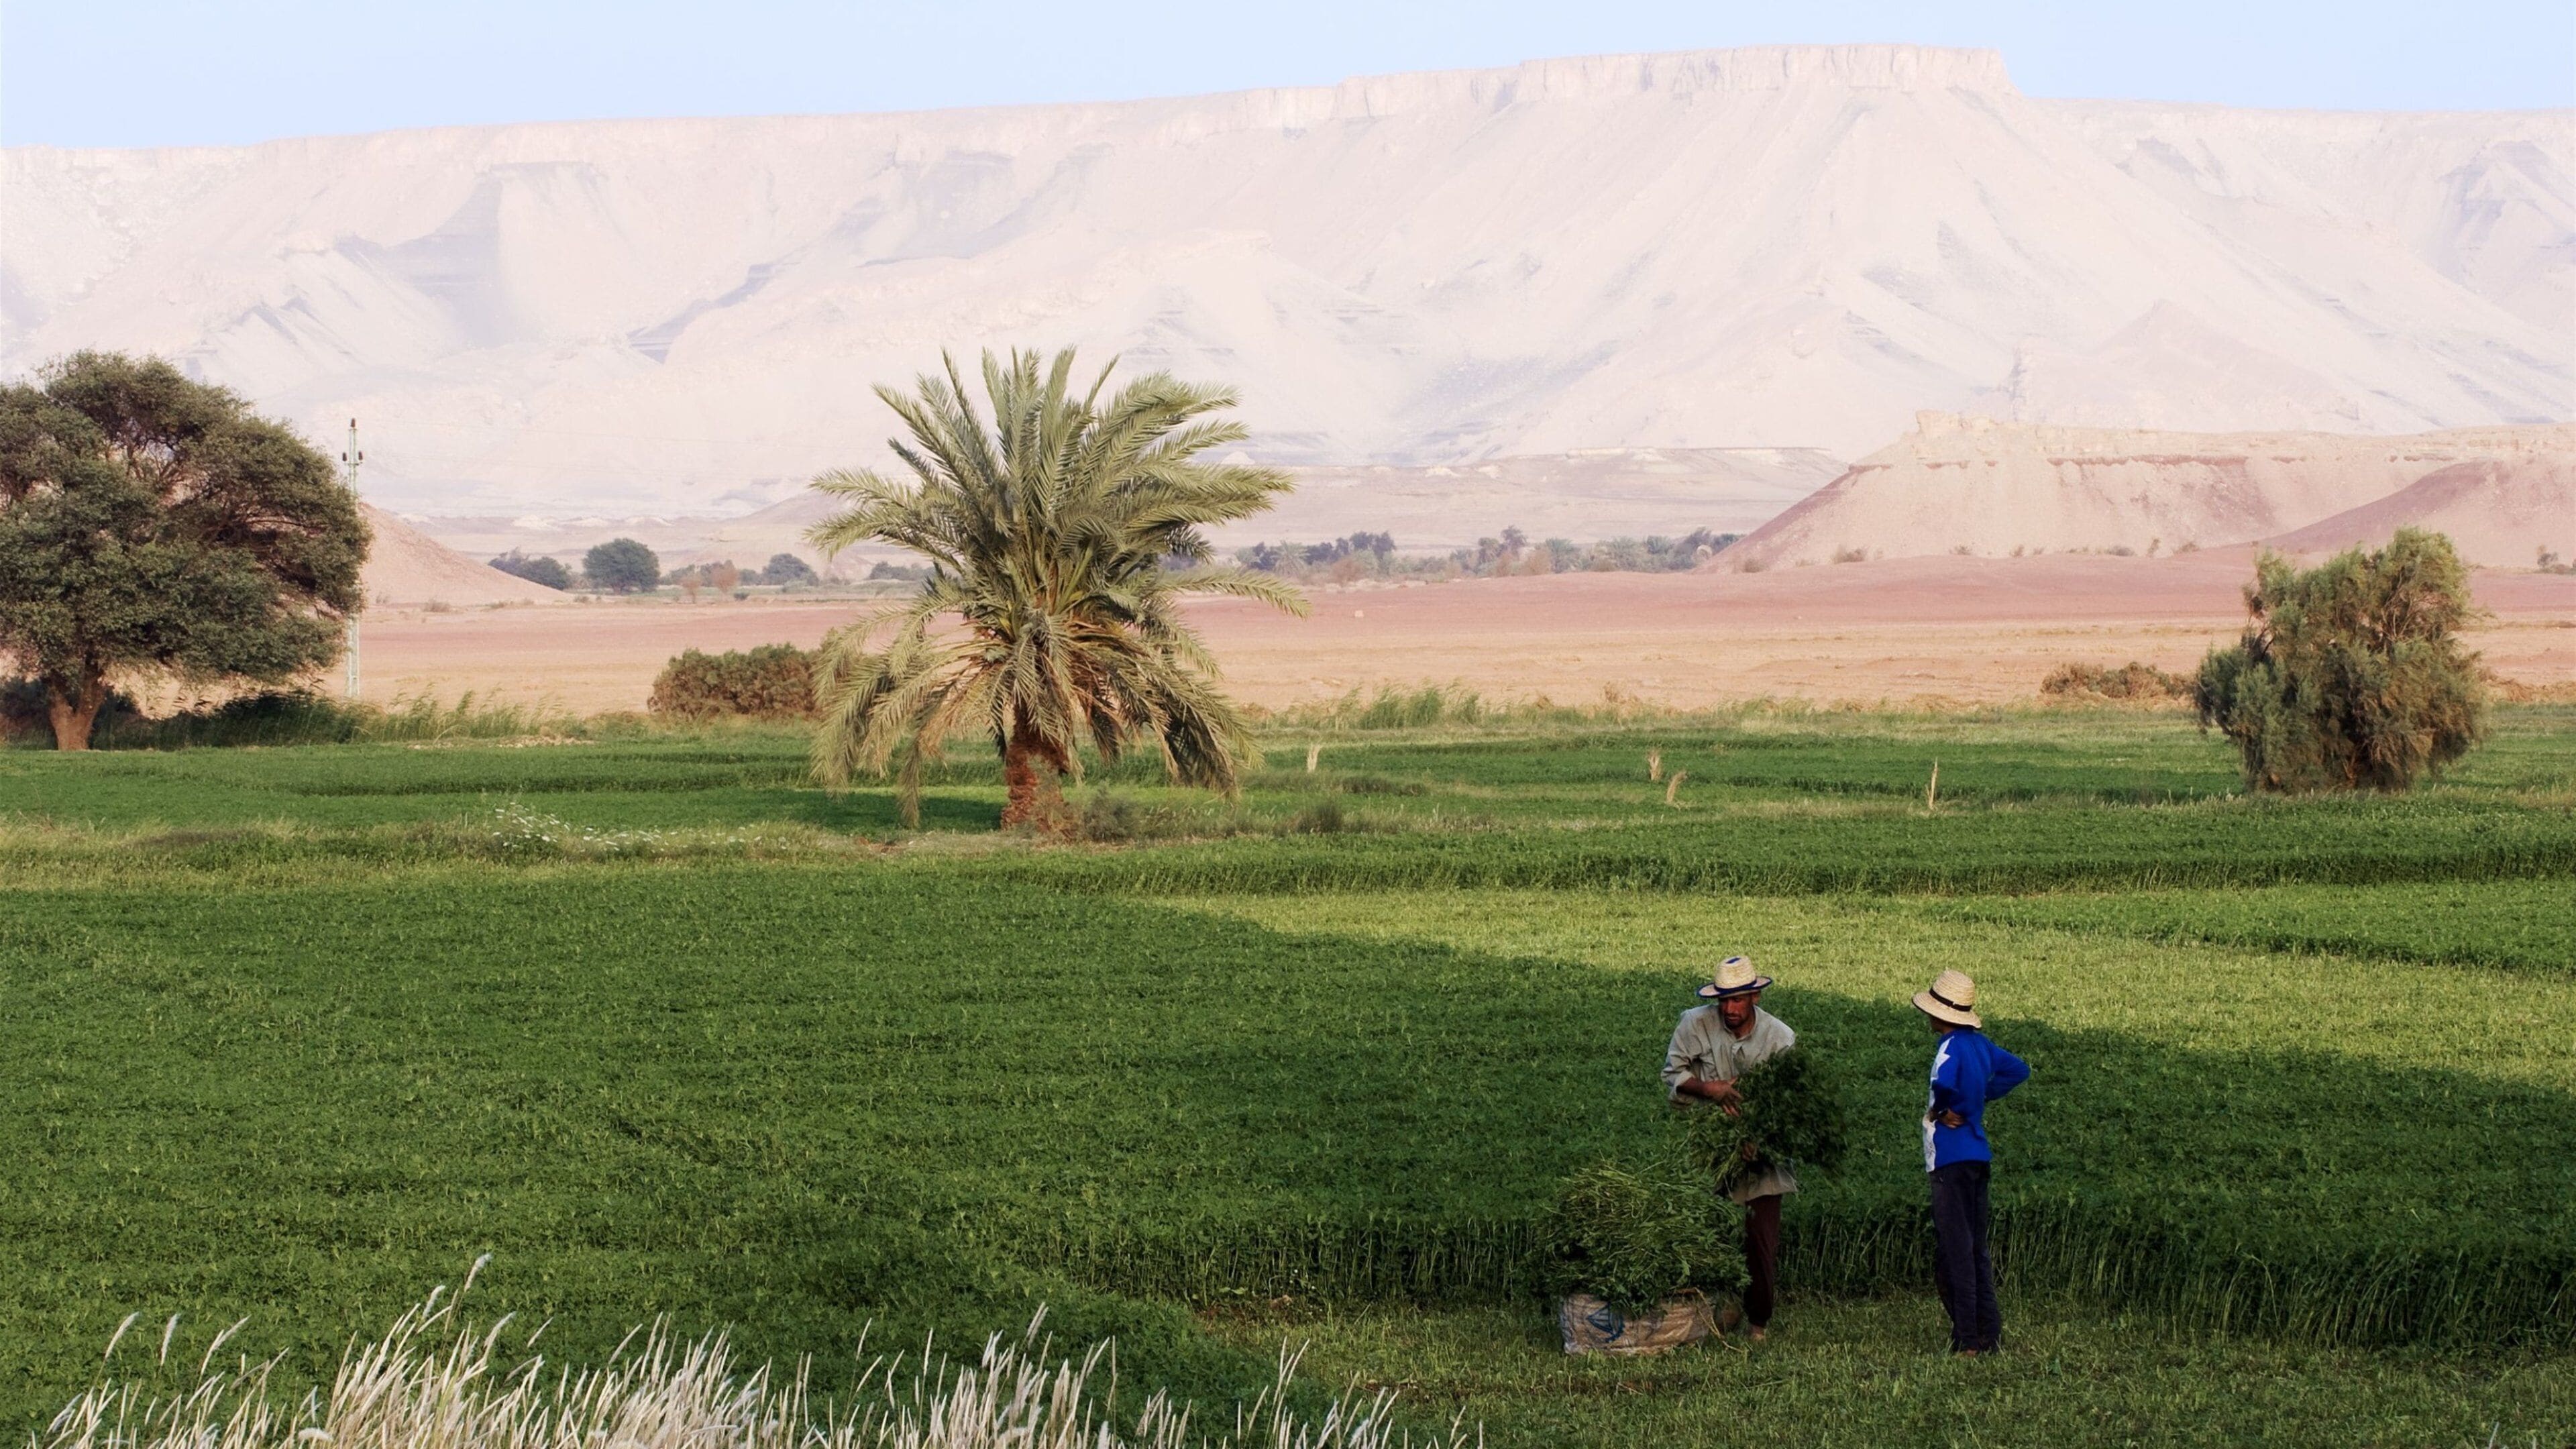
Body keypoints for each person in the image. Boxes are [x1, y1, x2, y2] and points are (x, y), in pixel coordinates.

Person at [1662, 955, 1795, 1340]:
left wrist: (1760, 1140)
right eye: (1723, 1000)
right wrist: (1710, 1090)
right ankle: (1713, 1312)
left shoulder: (1780, 1039)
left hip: (1764, 1153)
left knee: (1760, 1241)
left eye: (1737, 1000)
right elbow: (1673, 1074)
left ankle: (1757, 1323)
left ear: (1754, 996)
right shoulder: (1694, 1023)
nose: (1729, 1009)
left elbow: (1787, 1105)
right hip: (1711, 1149)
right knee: (1710, 1234)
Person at [1913, 969, 2030, 1356]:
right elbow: (2019, 1069)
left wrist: (1944, 1108)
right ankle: (1989, 1335)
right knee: (1976, 1249)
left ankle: (1967, 1341)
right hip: (1978, 1156)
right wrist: (1979, 1097)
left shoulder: (1949, 1049)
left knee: (1955, 1251)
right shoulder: (1981, 1046)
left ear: (1941, 1015)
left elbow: (1943, 1084)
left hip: (1951, 1159)